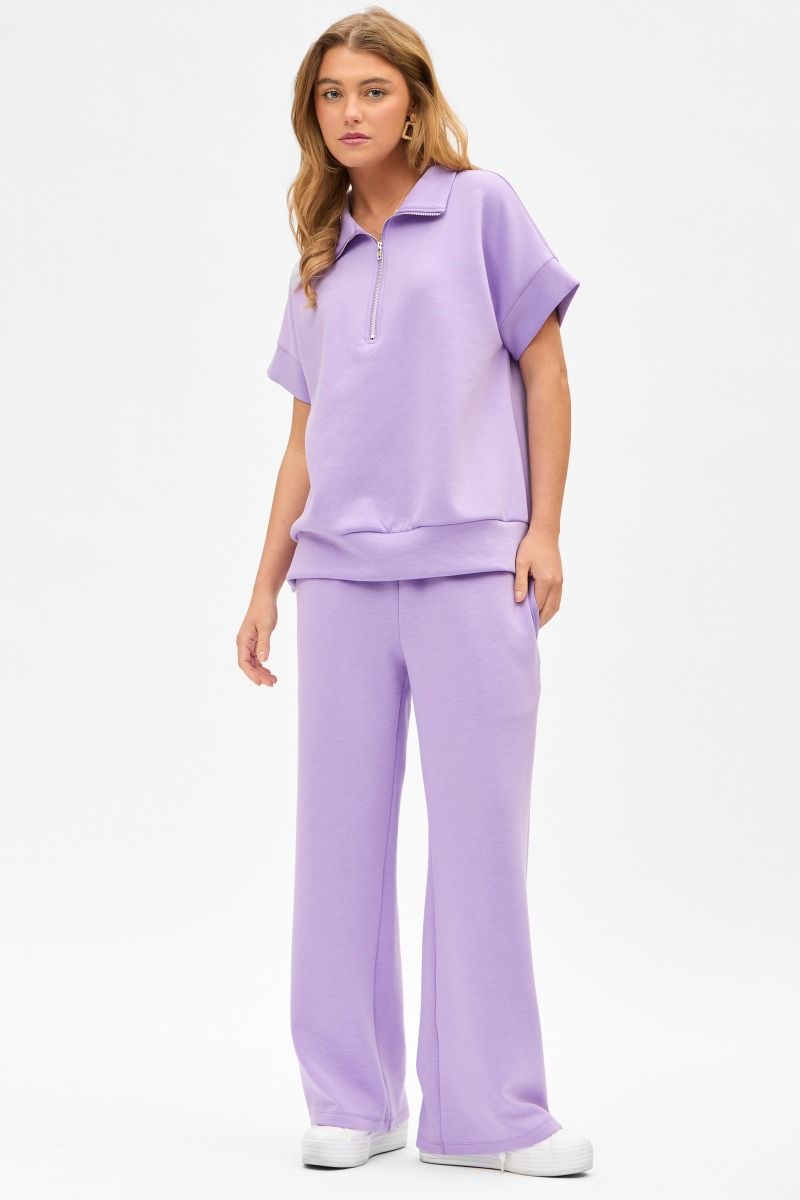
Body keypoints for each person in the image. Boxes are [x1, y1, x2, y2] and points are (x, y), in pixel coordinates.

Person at [236, 6, 593, 1178]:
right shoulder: (318, 256)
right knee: (336, 844)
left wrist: (543, 528)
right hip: (339, 581)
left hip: (472, 571)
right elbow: (303, 438)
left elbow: (544, 370)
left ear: (413, 101)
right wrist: (264, 583)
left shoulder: (481, 209)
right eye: (330, 94)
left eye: (371, 91)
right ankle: (353, 1098)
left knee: (479, 840)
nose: (349, 112)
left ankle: (489, 1116)